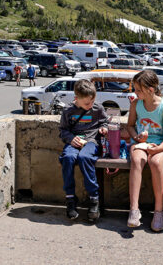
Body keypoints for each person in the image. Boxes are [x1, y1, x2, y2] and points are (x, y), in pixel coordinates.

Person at [125, 69, 163, 232]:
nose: (135, 92)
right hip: (141, 141)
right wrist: (137, 137)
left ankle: (159, 211)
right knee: (137, 160)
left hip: (160, 144)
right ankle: (134, 209)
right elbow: (130, 125)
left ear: (150, 90)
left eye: (138, 90)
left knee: (155, 162)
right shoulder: (135, 104)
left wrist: (158, 148)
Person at [58, 79, 109, 222]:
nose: (90, 105)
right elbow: (63, 130)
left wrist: (104, 128)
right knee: (67, 158)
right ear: (76, 98)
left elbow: (105, 122)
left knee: (84, 157)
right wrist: (70, 138)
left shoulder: (97, 109)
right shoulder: (68, 110)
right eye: (87, 103)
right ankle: (70, 198)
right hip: (74, 141)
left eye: (92, 102)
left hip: (92, 141)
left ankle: (94, 198)